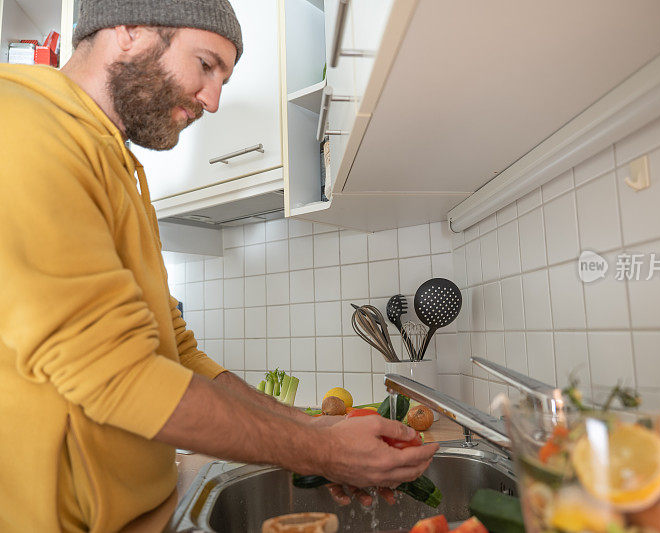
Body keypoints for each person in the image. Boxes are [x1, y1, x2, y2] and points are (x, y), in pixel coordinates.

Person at [0, 0, 437, 530]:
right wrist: (318, 452)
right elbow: (115, 376)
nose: (212, 100)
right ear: (131, 28)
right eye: (207, 65)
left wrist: (317, 429)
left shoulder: (121, 169)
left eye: (223, 79)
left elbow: (177, 352)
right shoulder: (21, 125)